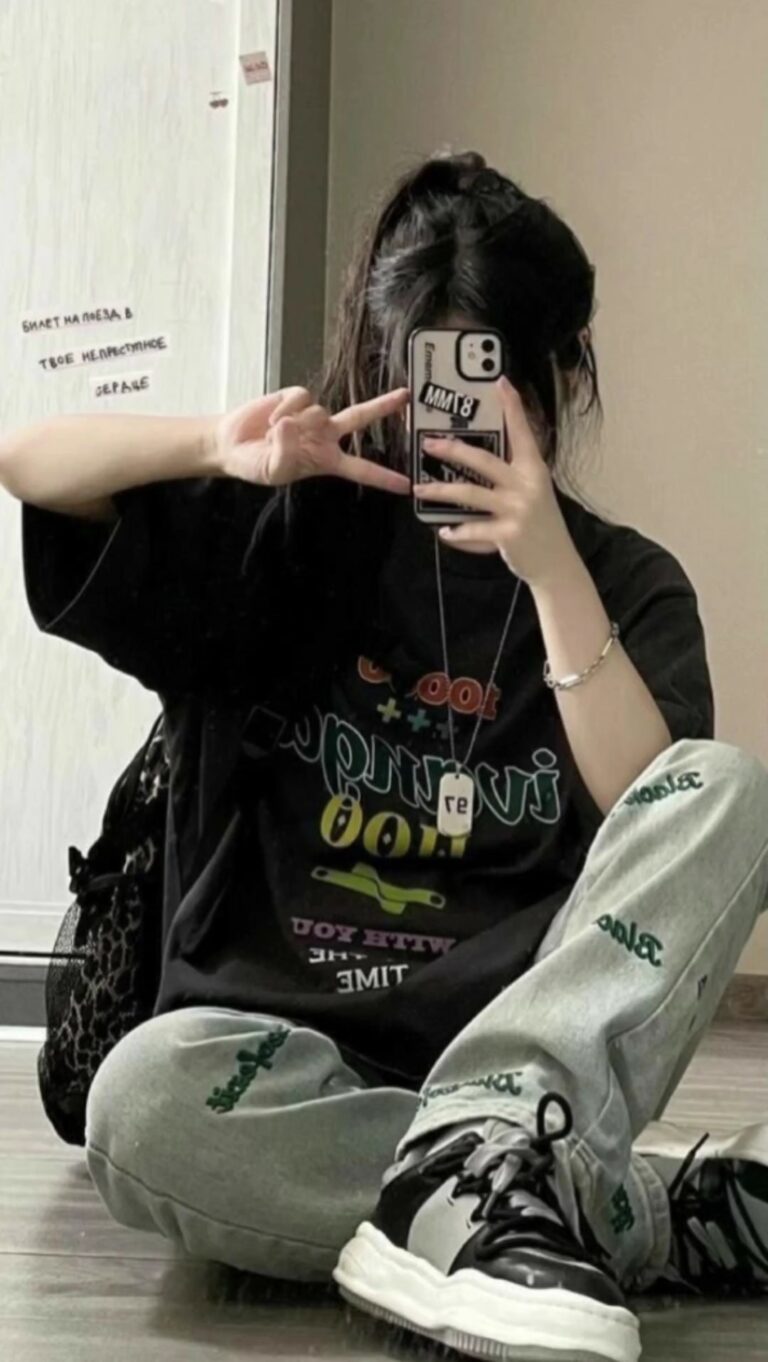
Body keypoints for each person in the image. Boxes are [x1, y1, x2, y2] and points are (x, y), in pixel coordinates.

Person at [2, 150, 767, 1362]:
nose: (445, 422)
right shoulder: (286, 539)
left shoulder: (622, 585)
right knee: (141, 1105)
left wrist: (550, 571)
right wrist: (217, 444)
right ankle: (582, 1202)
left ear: (560, 374)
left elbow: (651, 812)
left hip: (522, 1054)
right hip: (275, 1071)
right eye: (425, 379)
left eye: (485, 382)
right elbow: (30, 464)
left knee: (727, 787)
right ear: (380, 360)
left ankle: (495, 1158)